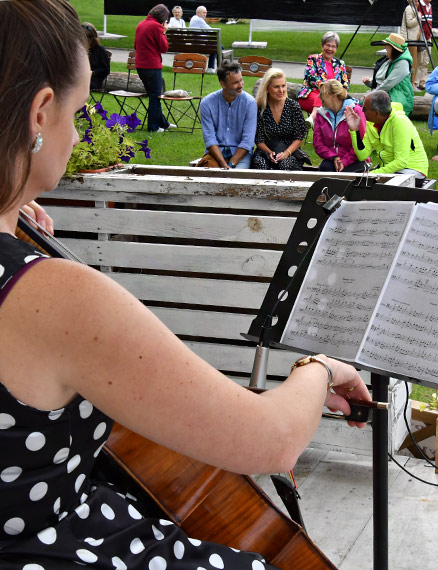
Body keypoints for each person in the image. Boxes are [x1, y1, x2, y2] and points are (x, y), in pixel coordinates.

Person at [0, 1, 371, 567]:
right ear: (39, 113)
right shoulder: (53, 296)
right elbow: (268, 440)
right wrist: (321, 367)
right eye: (78, 113)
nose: (77, 134)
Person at [346, 90, 428, 185]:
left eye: (364, 109)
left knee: (373, 182)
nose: (362, 111)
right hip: (393, 170)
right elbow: (362, 155)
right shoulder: (371, 123)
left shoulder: (399, 122)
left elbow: (401, 162)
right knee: (355, 179)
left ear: (376, 112)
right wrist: (354, 130)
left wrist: (372, 173)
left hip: (414, 170)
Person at [200, 61, 257, 169]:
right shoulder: (207, 103)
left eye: (241, 80)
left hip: (241, 154)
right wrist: (223, 164)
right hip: (216, 153)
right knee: (209, 176)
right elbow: (210, 139)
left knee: (236, 178)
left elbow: (248, 142)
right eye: (235, 83)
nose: (240, 85)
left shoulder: (250, 103)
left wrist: (230, 165)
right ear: (223, 84)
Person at [252, 68, 308, 171]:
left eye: (283, 86)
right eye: (276, 87)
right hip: (267, 150)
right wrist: (269, 153)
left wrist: (286, 153)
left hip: (290, 150)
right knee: (261, 164)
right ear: (267, 88)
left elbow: (299, 136)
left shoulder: (293, 106)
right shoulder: (260, 107)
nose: (281, 90)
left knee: (285, 165)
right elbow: (259, 139)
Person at [134, 4, 176, 132]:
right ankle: (153, 126)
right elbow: (164, 48)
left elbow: (136, 45)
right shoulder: (157, 27)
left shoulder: (141, 24)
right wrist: (164, 32)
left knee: (153, 94)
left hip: (140, 65)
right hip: (152, 65)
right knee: (155, 96)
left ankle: (163, 123)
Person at [297, 31, 350, 129]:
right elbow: (310, 77)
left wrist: (337, 92)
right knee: (324, 98)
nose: (330, 49)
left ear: (336, 48)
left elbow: (345, 84)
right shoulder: (313, 59)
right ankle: (324, 132)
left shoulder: (340, 64)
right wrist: (326, 89)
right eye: (327, 45)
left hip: (334, 98)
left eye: (333, 46)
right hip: (311, 94)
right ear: (322, 45)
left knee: (331, 102)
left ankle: (314, 120)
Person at [313, 79, 367, 173]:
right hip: (331, 159)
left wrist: (345, 161)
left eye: (322, 94)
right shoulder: (321, 113)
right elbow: (318, 143)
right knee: (325, 169)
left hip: (355, 159)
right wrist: (333, 157)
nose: (319, 97)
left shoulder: (355, 112)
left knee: (347, 176)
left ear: (334, 96)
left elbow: (362, 142)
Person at [362, 33, 414, 117]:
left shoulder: (403, 63)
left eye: (387, 45)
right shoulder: (388, 60)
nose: (384, 47)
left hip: (396, 101)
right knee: (360, 107)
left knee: (365, 108)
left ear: (393, 48)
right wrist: (370, 82)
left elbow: (388, 84)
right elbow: (381, 80)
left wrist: (370, 95)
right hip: (383, 96)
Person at [400, 0, 422, 92]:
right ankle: (411, 84)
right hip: (410, 40)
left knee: (415, 62)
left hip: (414, 40)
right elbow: (409, 23)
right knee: (412, 62)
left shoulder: (415, 9)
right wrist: (419, 17)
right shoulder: (409, 8)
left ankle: (412, 83)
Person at [81, 22, 110, 90]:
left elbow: (106, 70)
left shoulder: (100, 50)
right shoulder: (78, 50)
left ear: (91, 39)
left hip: (94, 80)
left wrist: (93, 72)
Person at [189, 5, 217, 73]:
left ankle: (213, 67)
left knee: (217, 47)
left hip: (194, 43)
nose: (205, 15)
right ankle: (211, 67)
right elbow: (210, 30)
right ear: (198, 13)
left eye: (205, 13)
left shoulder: (193, 18)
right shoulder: (199, 20)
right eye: (203, 13)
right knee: (218, 47)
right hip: (200, 44)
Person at [416, 0, 432, 90]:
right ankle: (416, 81)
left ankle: (423, 82)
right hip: (421, 37)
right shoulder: (419, 5)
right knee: (419, 60)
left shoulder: (430, 6)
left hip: (428, 37)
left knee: (426, 60)